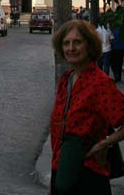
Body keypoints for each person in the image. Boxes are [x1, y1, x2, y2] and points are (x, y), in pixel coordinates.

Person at [50, 20, 124, 195]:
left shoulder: (100, 83)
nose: (71, 48)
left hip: (88, 175)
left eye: (77, 42)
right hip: (62, 170)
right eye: (66, 43)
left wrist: (103, 144)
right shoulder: (66, 79)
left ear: (89, 46)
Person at [111, 9, 124, 83]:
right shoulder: (120, 28)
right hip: (121, 48)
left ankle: (116, 75)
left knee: (114, 63)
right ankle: (117, 75)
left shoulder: (112, 28)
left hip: (115, 48)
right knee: (119, 62)